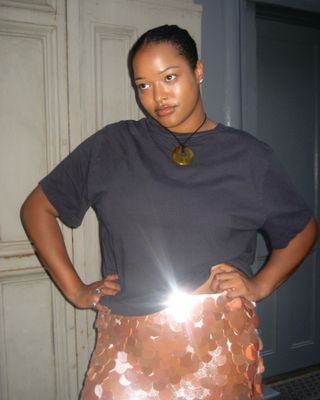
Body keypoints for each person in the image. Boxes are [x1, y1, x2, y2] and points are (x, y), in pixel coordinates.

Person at [21, 25, 318, 400]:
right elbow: (37, 208)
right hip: (127, 345)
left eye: (169, 77)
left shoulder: (249, 158)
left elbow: (302, 229)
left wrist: (260, 284)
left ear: (198, 71)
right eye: (143, 85)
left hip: (217, 346)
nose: (157, 96)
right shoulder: (114, 146)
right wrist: (76, 289)